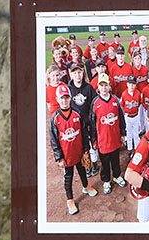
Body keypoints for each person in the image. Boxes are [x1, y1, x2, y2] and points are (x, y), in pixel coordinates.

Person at [49, 84, 98, 215]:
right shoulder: (55, 119)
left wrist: (86, 149)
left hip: (79, 152)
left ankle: (86, 186)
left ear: (70, 98)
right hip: (66, 155)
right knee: (68, 176)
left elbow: (83, 133)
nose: (64, 101)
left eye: (66, 98)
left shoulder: (77, 113)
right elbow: (54, 140)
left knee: (82, 169)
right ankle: (70, 199)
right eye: (61, 98)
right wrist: (59, 158)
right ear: (57, 99)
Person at [87, 73, 127, 195]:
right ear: (98, 87)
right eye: (101, 85)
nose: (104, 88)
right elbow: (92, 123)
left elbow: (121, 118)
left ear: (109, 86)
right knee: (104, 162)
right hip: (103, 139)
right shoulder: (95, 103)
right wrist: (94, 140)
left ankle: (116, 175)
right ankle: (106, 181)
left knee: (115, 159)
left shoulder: (115, 100)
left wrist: (123, 133)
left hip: (115, 137)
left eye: (106, 85)